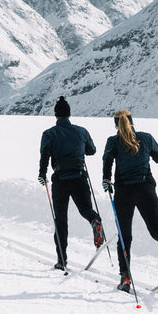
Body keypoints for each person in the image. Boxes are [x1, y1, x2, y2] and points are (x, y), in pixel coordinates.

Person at [102, 110, 158, 292]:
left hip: (123, 192)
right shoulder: (146, 137)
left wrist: (106, 179)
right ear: (132, 122)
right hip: (146, 189)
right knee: (156, 228)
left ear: (116, 125)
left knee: (125, 236)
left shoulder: (113, 141)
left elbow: (107, 160)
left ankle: (125, 278)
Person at [38, 96, 103, 271]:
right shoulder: (81, 131)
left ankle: (62, 260)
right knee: (85, 209)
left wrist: (42, 173)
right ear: (69, 114)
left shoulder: (49, 133)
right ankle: (95, 221)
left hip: (60, 180)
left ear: (56, 116)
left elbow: (45, 154)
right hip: (80, 176)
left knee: (61, 220)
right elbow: (92, 150)